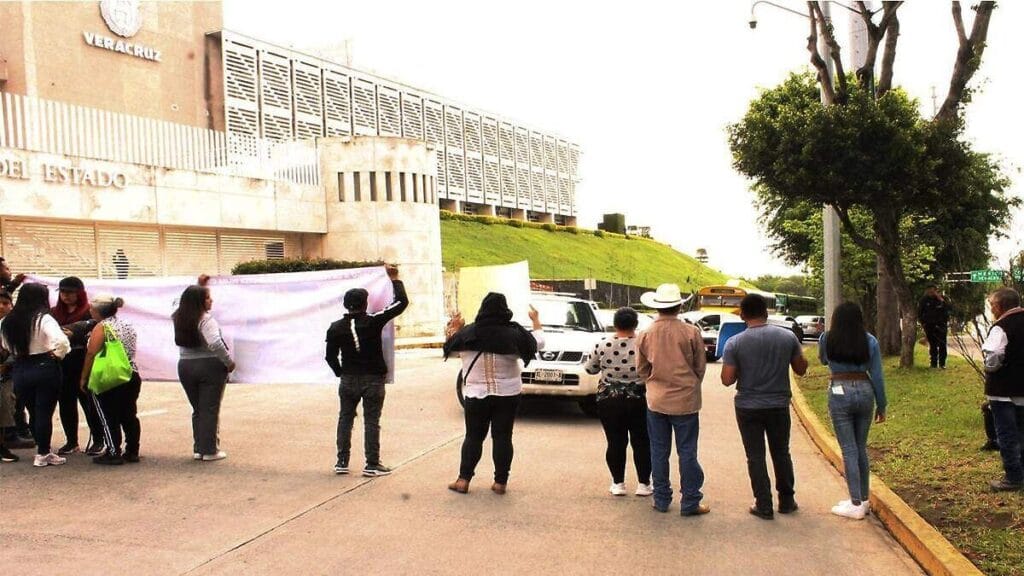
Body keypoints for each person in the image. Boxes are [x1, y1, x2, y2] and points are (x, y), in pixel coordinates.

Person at [443, 293, 542, 494]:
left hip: (475, 394)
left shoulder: (468, 334)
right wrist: (536, 320)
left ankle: (463, 480)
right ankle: (500, 482)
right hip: (508, 394)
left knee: (473, 436)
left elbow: (450, 348)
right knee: (503, 437)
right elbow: (538, 343)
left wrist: (456, 327)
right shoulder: (515, 334)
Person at [721, 294, 808, 520]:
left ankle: (764, 504)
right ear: (766, 313)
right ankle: (787, 500)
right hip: (778, 404)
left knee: (755, 456)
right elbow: (800, 369)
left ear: (742, 315)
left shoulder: (735, 343)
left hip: (748, 406)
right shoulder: (787, 337)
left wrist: (743, 367)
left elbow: (727, 379)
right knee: (781, 452)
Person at [325, 264, 408, 478]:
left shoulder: (335, 327)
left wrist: (340, 372)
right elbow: (401, 303)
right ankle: (372, 463)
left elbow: (330, 357)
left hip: (348, 379)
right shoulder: (373, 321)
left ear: (345, 305)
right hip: (373, 379)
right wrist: (394, 278)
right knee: (372, 421)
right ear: (365, 304)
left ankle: (342, 461)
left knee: (345, 418)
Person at [636, 283, 710, 516]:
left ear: (657, 307)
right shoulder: (691, 332)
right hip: (686, 400)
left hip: (656, 400)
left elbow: (642, 369)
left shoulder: (645, 334)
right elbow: (700, 367)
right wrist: (689, 382)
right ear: (679, 305)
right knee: (687, 451)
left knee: (658, 451)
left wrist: (655, 382)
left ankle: (661, 498)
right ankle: (690, 501)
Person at [818, 302, 887, 519]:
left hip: (838, 389)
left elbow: (822, 360)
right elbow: (876, 375)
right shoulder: (870, 340)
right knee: (860, 447)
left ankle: (855, 503)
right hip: (865, 390)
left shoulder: (827, 338)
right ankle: (863, 500)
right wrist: (882, 404)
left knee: (848, 448)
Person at [0, 283, 71, 467]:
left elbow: (6, 346)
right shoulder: (43, 319)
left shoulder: (7, 321)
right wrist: (57, 355)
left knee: (32, 411)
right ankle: (43, 453)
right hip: (44, 365)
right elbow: (61, 341)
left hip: (20, 366)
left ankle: (41, 447)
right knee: (44, 412)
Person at [584, 307, 652, 497]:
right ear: (636, 324)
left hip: (609, 399)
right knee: (641, 441)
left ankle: (618, 483)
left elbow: (590, 369)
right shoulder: (644, 344)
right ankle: (644, 484)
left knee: (615, 441)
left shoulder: (602, 344)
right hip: (639, 398)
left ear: (615, 324)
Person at [174, 283, 234, 461]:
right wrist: (228, 361)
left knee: (198, 409)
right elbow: (215, 342)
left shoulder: (178, 317)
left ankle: (199, 447)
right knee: (209, 409)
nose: (211, 300)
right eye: (208, 297)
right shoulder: (206, 319)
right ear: (200, 301)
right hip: (209, 365)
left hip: (185, 365)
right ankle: (209, 450)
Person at [80, 294, 141, 465]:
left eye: (91, 308)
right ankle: (132, 450)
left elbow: (92, 353)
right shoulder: (127, 325)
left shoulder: (102, 327)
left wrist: (84, 377)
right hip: (129, 373)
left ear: (97, 311)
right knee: (129, 414)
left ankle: (113, 451)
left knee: (108, 415)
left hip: (108, 377)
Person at [51, 276, 105, 456]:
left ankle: (98, 440)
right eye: (63, 292)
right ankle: (71, 441)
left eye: (70, 292)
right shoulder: (54, 313)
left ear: (79, 293)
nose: (66, 296)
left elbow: (96, 335)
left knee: (90, 404)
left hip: (84, 363)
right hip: (62, 364)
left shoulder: (89, 313)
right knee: (66, 404)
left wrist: (74, 333)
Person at [980, 287, 1024, 491]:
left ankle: (1013, 477)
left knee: (1006, 433)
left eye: (991, 306)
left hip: (1003, 389)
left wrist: (990, 367)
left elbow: (994, 355)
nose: (991, 310)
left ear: (998, 306)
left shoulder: (1000, 326)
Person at [0, 290, 19, 463]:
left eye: (6, 303)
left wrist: (6, 364)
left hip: (5, 375)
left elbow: (17, 350)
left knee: (5, 410)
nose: (2, 306)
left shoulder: (13, 325)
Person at [918, 284, 950, 369]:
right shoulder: (924, 300)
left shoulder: (942, 299)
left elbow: (947, 310)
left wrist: (941, 301)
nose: (931, 293)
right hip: (929, 325)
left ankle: (942, 363)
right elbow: (920, 313)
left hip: (941, 325)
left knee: (942, 345)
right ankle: (933, 363)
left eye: (933, 291)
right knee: (933, 345)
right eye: (929, 291)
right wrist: (923, 323)